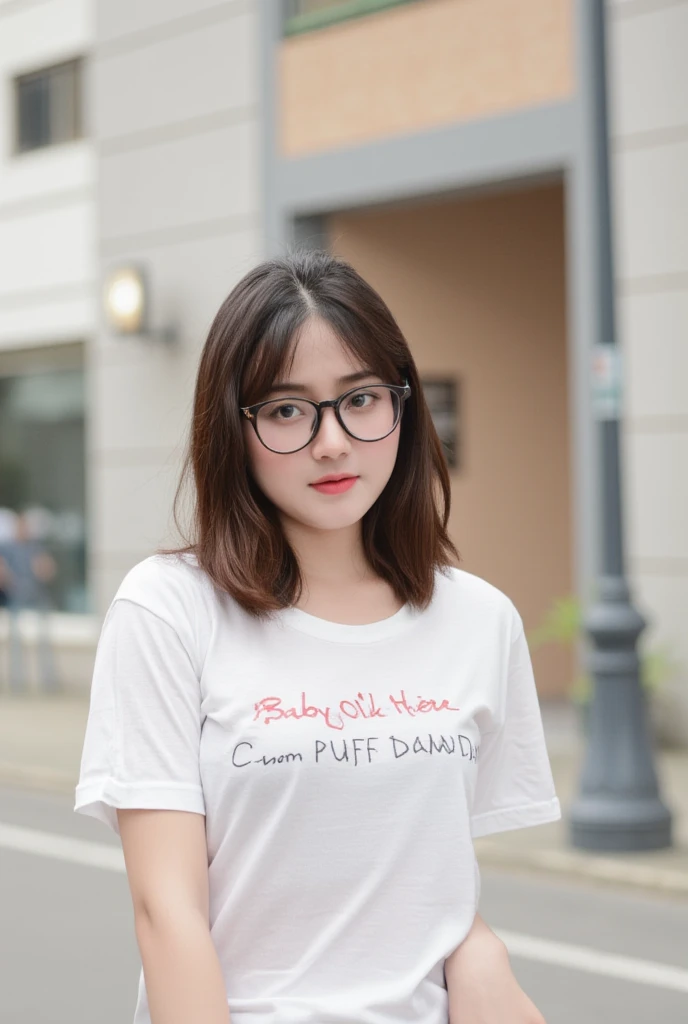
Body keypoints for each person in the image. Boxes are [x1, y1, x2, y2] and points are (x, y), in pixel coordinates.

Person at [74, 250, 561, 1024]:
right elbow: (167, 918)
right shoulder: (170, 611)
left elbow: (410, 877)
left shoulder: (480, 620)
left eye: (360, 399)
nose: (332, 441)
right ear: (233, 426)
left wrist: (480, 950)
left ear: (402, 404)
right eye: (287, 410)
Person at [0, 508, 59, 694]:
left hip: (37, 597)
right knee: (16, 641)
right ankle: (17, 682)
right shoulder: (7, 547)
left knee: (44, 640)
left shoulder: (36, 547)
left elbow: (48, 569)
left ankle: (49, 680)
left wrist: (44, 568)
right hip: (17, 597)